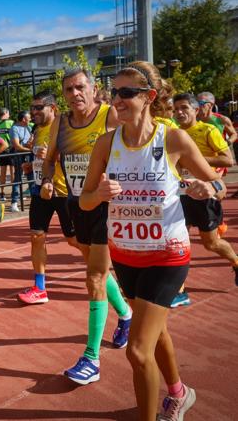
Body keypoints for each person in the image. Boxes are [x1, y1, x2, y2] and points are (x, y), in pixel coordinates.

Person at [79, 61, 224, 421]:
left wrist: (210, 187)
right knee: (155, 333)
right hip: (125, 255)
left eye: (127, 92)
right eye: (114, 92)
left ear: (149, 97)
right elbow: (83, 201)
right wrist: (98, 193)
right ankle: (179, 392)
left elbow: (220, 183)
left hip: (167, 255)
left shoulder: (172, 138)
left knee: (138, 351)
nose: (118, 99)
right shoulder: (105, 143)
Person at [41, 67, 132, 384]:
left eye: (80, 87)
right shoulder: (61, 124)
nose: (75, 94)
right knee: (98, 270)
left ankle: (91, 358)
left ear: (93, 89)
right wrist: (47, 179)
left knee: (94, 276)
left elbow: (134, 150)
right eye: (69, 90)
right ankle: (126, 314)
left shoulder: (109, 115)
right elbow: (50, 158)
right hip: (77, 204)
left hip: (109, 205)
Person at [171, 92, 238, 298]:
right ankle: (179, 290)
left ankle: (236, 262)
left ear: (196, 110)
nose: (180, 113)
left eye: (184, 108)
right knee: (176, 240)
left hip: (204, 194)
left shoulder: (207, 129)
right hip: (179, 194)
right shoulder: (171, 133)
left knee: (211, 243)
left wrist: (194, 160)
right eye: (176, 110)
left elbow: (228, 160)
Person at [18, 93, 82, 304]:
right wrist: (31, 165)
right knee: (37, 236)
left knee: (74, 240)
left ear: (52, 107)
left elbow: (77, 156)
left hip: (64, 191)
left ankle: (103, 269)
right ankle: (40, 288)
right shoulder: (36, 130)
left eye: (38, 108)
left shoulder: (65, 128)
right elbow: (39, 158)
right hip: (40, 190)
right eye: (32, 108)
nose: (33, 112)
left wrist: (52, 157)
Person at [9, 110, 33, 212]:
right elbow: (17, 146)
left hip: (28, 156)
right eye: (29, 117)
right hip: (19, 156)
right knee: (18, 178)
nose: (31, 119)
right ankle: (14, 202)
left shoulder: (29, 127)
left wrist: (31, 144)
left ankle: (35, 200)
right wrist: (31, 149)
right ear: (23, 119)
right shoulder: (14, 128)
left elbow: (30, 142)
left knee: (31, 178)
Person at [0, 108, 14, 201]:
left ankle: (2, 193)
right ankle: (15, 192)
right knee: (13, 171)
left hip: (1, 150)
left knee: (2, 172)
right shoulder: (12, 123)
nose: (9, 114)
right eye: (8, 113)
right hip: (11, 149)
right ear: (5, 113)